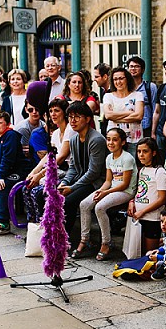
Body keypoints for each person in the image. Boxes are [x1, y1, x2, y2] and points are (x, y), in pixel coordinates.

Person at [74, 127, 136, 260]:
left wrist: (105, 193)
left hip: (126, 191)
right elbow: (108, 181)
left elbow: (124, 184)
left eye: (115, 140)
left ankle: (106, 242)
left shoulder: (127, 158)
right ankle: (85, 240)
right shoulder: (109, 158)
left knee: (100, 207)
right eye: (108, 139)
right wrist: (100, 191)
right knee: (84, 204)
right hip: (112, 188)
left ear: (123, 142)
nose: (110, 143)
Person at [59, 101, 108, 238]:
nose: (72, 121)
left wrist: (72, 188)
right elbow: (73, 167)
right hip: (81, 179)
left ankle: (65, 239)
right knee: (50, 193)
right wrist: (65, 182)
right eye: (70, 117)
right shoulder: (74, 139)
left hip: (96, 182)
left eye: (77, 117)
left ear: (87, 119)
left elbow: (94, 172)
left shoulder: (96, 140)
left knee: (68, 200)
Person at [127, 137, 166, 253]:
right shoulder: (142, 170)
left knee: (150, 253)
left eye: (145, 151)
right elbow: (139, 190)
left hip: (152, 218)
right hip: (139, 217)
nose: (141, 155)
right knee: (138, 251)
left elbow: (162, 199)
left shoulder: (159, 172)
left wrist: (143, 211)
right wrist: (132, 203)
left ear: (154, 152)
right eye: (139, 151)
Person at [103, 67, 144, 157]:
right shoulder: (108, 96)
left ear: (127, 79)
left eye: (121, 78)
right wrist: (130, 113)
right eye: (115, 79)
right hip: (114, 141)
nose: (118, 82)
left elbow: (139, 116)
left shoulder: (137, 95)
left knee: (133, 168)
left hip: (134, 140)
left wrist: (116, 118)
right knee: (117, 168)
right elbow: (108, 115)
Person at [127, 56, 157, 134]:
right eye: (131, 66)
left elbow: (155, 111)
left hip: (145, 128)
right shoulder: (124, 88)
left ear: (143, 70)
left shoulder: (150, 87)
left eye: (137, 66)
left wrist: (153, 132)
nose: (133, 69)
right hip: (128, 129)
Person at [93, 62, 111, 137]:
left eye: (97, 77)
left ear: (105, 77)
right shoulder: (103, 91)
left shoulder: (114, 92)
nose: (94, 79)